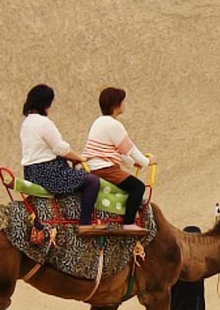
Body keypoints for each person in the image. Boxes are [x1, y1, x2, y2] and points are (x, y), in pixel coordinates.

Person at [19, 84, 99, 229]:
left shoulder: (27, 123)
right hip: (48, 173)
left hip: (31, 172)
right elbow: (60, 148)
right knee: (92, 181)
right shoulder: (44, 123)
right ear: (45, 103)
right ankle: (85, 224)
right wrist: (80, 158)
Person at [81, 87, 155, 233]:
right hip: (104, 168)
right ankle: (129, 222)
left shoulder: (99, 122)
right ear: (116, 104)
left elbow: (117, 150)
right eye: (123, 101)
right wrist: (148, 162)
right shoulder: (114, 125)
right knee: (138, 187)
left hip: (94, 165)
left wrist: (133, 163)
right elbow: (130, 148)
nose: (125, 104)